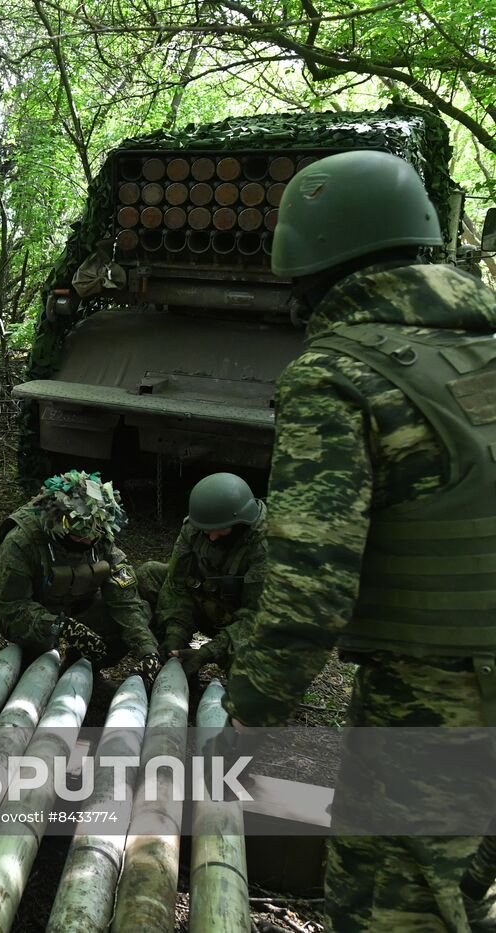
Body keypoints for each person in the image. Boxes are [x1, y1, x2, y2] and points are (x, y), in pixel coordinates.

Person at [223, 150, 496, 930]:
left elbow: (311, 585)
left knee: (394, 906)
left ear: (305, 260)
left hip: (439, 711)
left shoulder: (338, 374)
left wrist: (252, 711)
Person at [0, 470, 159, 677]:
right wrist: (60, 626)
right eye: (79, 537)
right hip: (36, 618)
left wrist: (148, 651)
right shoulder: (22, 541)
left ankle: (80, 668)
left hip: (80, 608)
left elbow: (126, 600)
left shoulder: (98, 534)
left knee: (140, 612)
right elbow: (8, 608)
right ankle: (35, 668)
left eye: (93, 537)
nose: (87, 543)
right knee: (39, 655)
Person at [136, 472, 266, 677]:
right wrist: (175, 634)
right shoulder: (196, 527)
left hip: (243, 618)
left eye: (220, 530)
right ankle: (175, 654)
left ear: (241, 522)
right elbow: (176, 583)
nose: (212, 537)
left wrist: (208, 652)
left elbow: (255, 618)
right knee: (148, 575)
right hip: (206, 598)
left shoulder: (264, 549)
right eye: (207, 531)